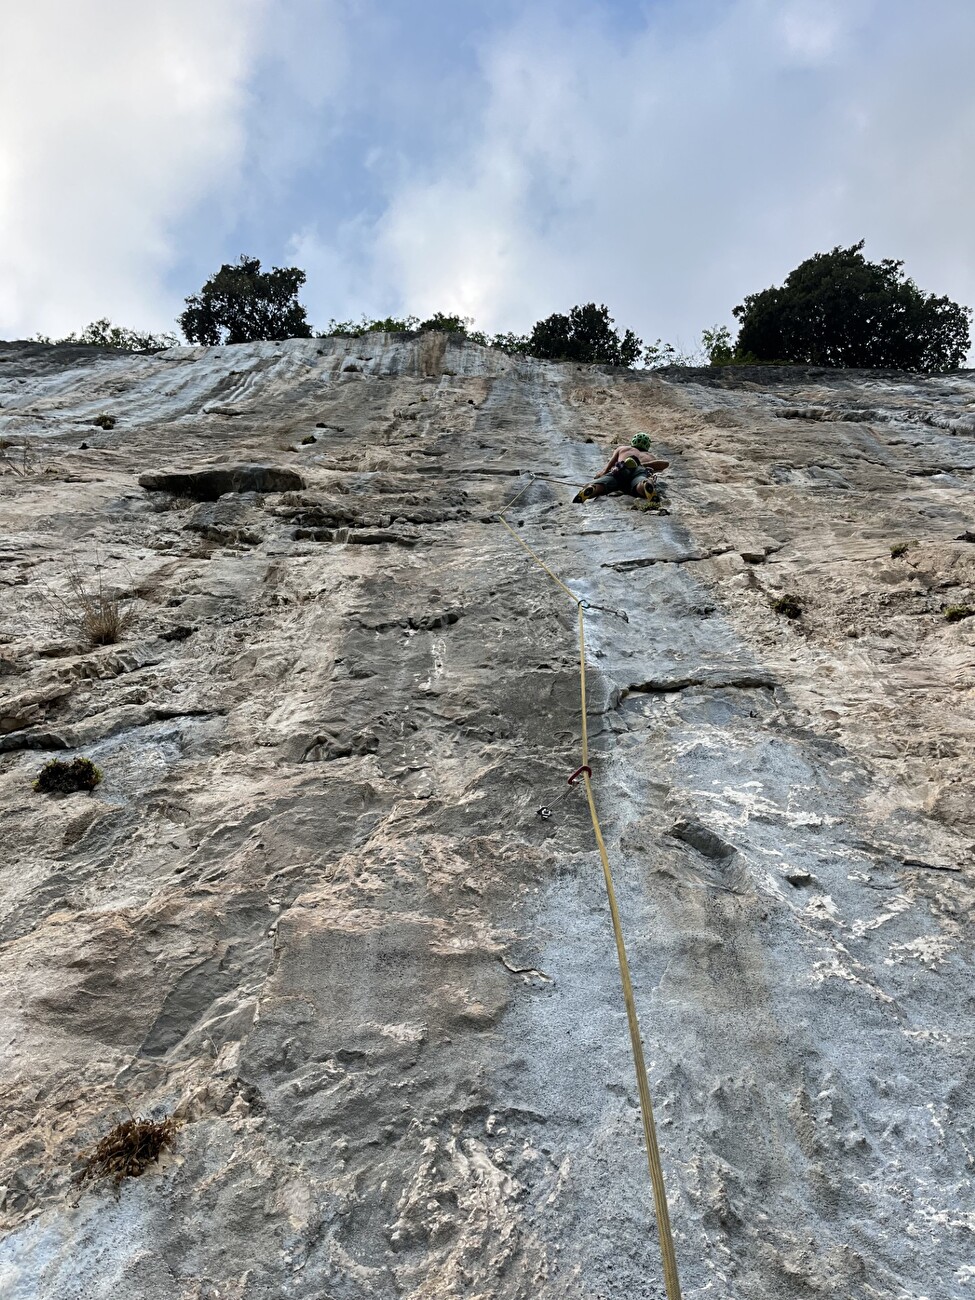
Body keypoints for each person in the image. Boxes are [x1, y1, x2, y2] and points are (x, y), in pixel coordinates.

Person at [573, 432, 669, 502]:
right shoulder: (649, 456)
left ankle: (593, 488)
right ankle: (645, 485)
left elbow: (608, 467)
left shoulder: (623, 449)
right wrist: (641, 465)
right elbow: (665, 464)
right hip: (639, 472)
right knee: (639, 482)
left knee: (603, 485)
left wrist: (601, 475)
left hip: (621, 469)